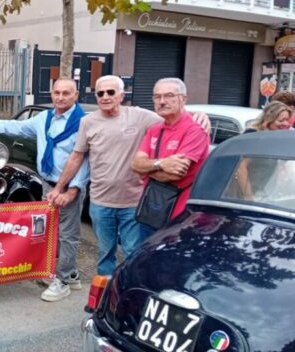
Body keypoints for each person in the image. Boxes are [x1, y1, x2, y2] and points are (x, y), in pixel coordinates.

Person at [46, 75, 210, 276]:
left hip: (133, 203)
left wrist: (199, 115)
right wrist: (59, 187)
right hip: (100, 201)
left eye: (111, 92)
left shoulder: (140, 117)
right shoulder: (87, 122)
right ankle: (104, 293)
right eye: (100, 93)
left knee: (133, 252)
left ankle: (127, 295)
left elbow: (172, 114)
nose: (105, 96)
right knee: (105, 252)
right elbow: (76, 157)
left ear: (121, 95)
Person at [0, 77, 90, 302]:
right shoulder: (45, 118)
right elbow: (18, 127)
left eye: (66, 93)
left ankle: (63, 281)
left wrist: (72, 190)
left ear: (76, 95)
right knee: (51, 230)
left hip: (68, 187)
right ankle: (71, 274)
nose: (60, 97)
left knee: (68, 235)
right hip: (48, 182)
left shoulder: (83, 123)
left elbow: (86, 160)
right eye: (57, 92)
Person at [131, 78, 210, 225]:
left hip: (179, 217)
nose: (162, 101)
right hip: (151, 209)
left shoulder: (196, 129)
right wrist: (162, 163)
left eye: (169, 95)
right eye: (157, 96)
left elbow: (174, 173)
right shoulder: (154, 130)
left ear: (183, 99)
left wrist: (147, 169)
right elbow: (135, 165)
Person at [233, 101, 293, 200]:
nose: (286, 124)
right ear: (269, 119)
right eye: (281, 120)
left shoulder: (276, 138)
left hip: (263, 194)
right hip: (242, 195)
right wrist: (248, 197)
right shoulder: (254, 136)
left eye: (287, 120)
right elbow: (241, 168)